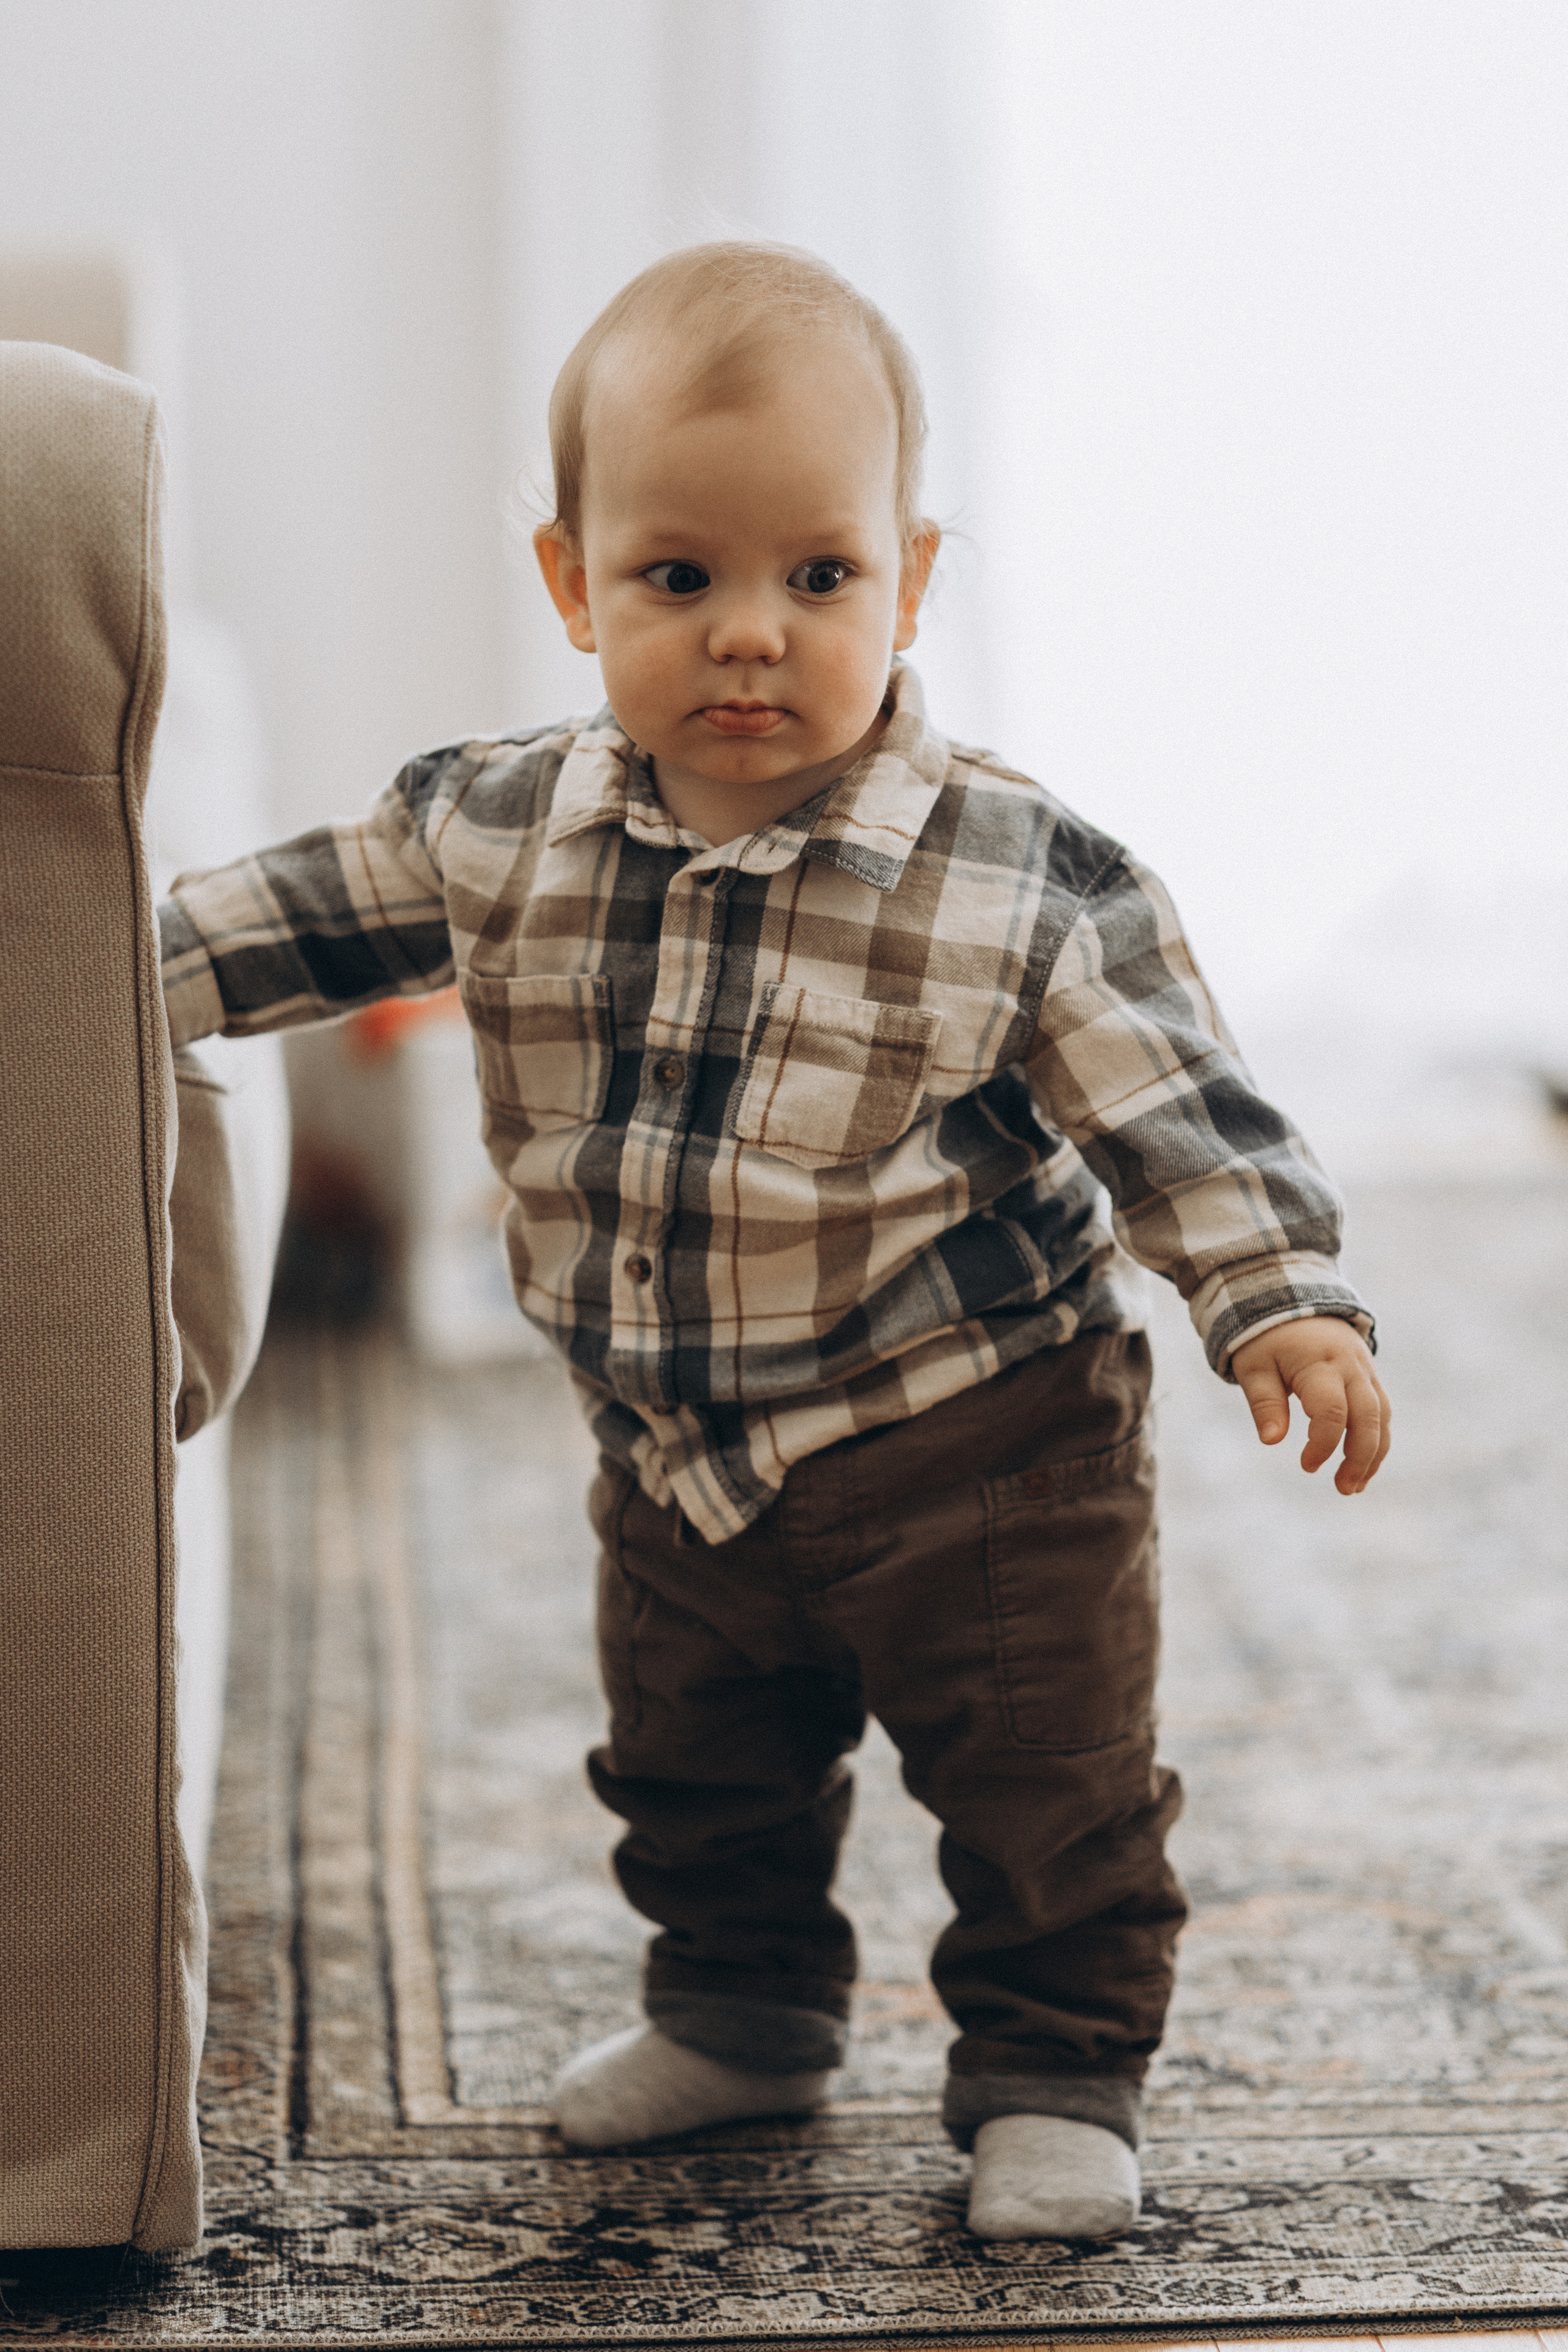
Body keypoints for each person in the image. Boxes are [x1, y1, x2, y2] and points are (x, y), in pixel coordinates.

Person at [159, 241, 1390, 2241]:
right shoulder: (497, 827)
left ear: (911, 579)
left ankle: (1057, 2069)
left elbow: (1185, 1114)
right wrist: (92, 975)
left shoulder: (1019, 880)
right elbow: (272, 922)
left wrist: (1282, 1303)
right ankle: (742, 2013)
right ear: (572, 581)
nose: (752, 637)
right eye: (679, 579)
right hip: (679, 1453)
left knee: (1044, 1786)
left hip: (981, 1445)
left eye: (817, 577)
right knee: (693, 1772)